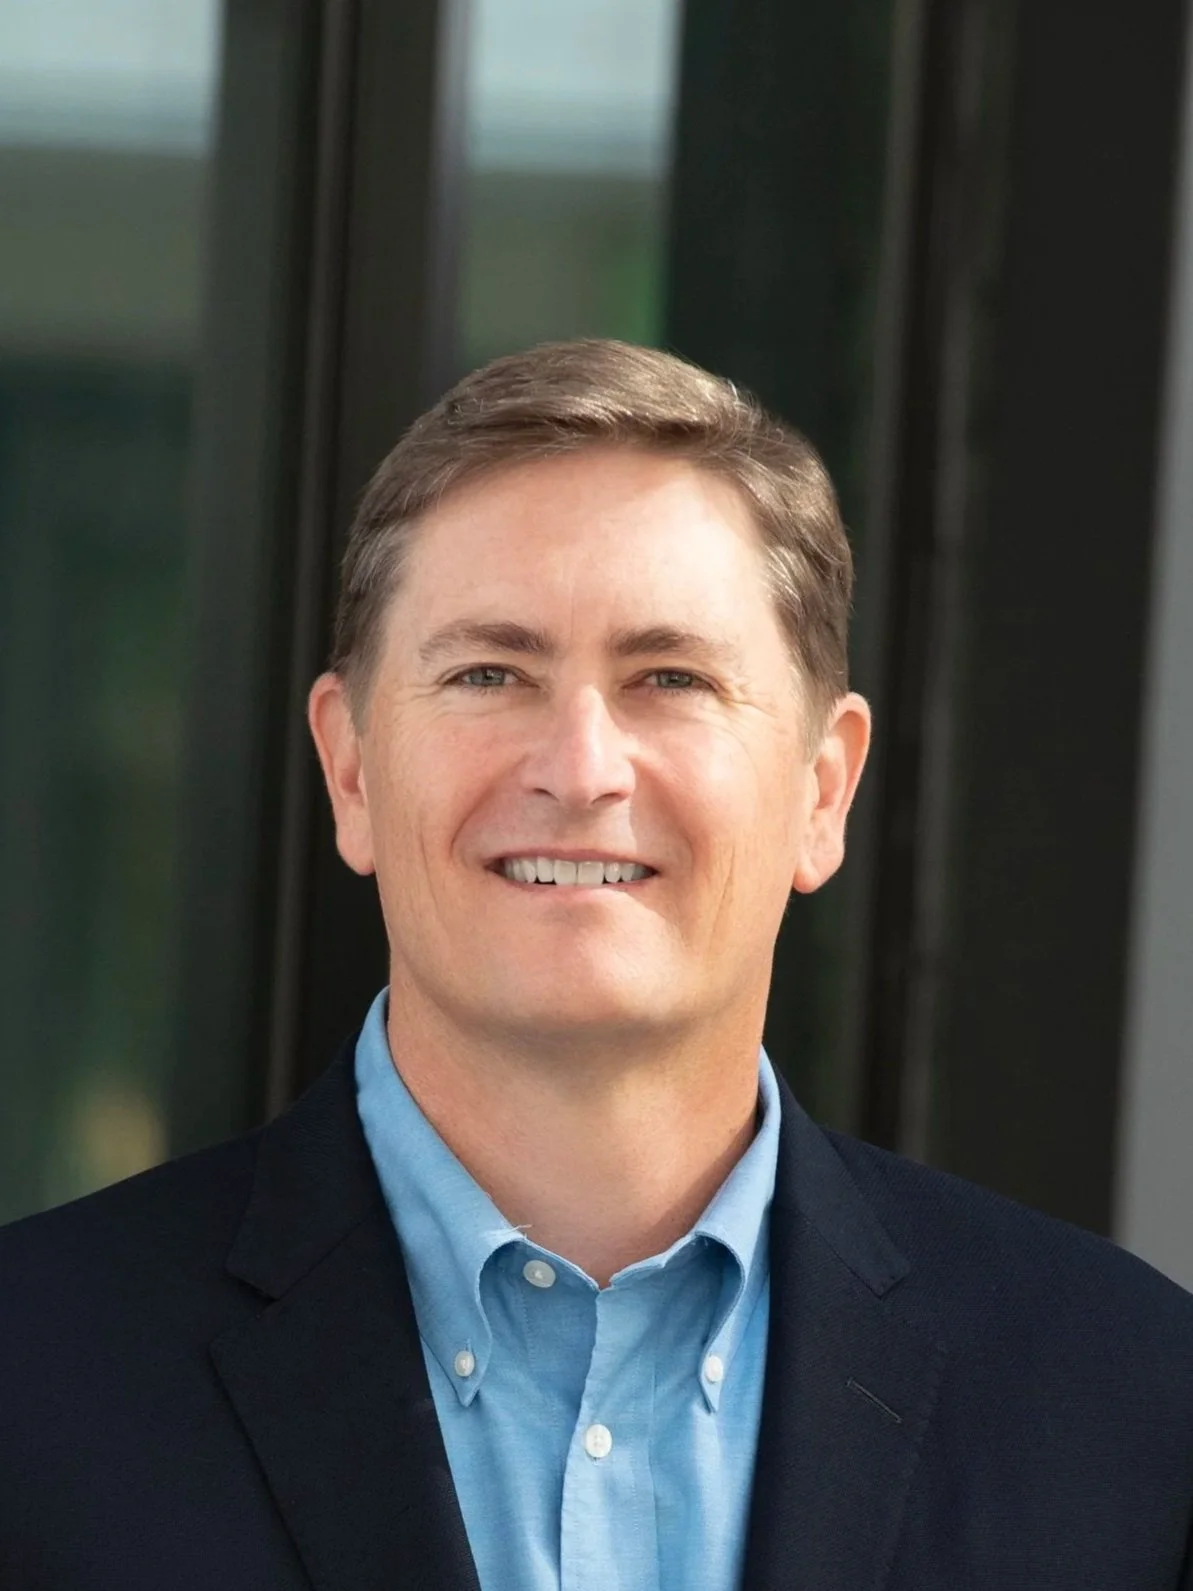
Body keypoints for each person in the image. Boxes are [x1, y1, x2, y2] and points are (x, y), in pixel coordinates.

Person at [1, 339, 1190, 1591]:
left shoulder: (1126, 1405)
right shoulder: (33, 1383)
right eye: (487, 673)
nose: (579, 768)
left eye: (668, 677)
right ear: (350, 770)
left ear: (822, 789)